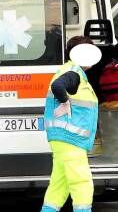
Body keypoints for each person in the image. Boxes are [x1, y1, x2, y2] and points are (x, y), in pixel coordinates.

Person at [41, 36, 101, 212]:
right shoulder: (74, 73)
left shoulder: (68, 70)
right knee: (82, 182)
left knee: (59, 185)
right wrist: (65, 102)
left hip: (61, 138)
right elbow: (59, 86)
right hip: (70, 139)